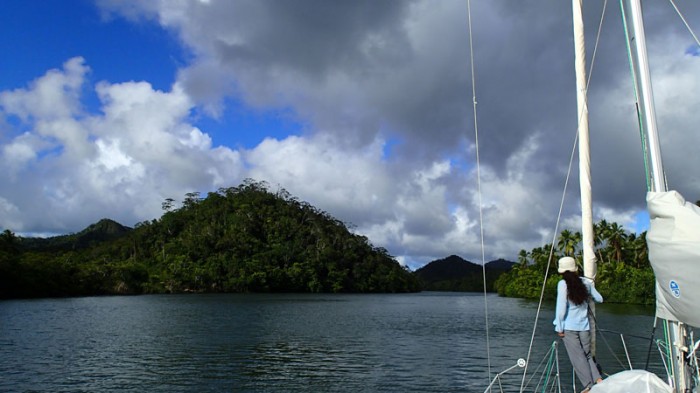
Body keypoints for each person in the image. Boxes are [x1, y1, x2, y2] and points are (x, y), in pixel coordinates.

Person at [553, 256, 604, 393]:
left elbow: (561, 308)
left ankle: (588, 386)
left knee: (577, 358)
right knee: (587, 355)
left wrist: (559, 327)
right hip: (585, 327)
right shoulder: (586, 283)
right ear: (575, 269)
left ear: (562, 271)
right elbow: (600, 299)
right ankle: (598, 380)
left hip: (569, 328)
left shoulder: (563, 285)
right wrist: (590, 290)